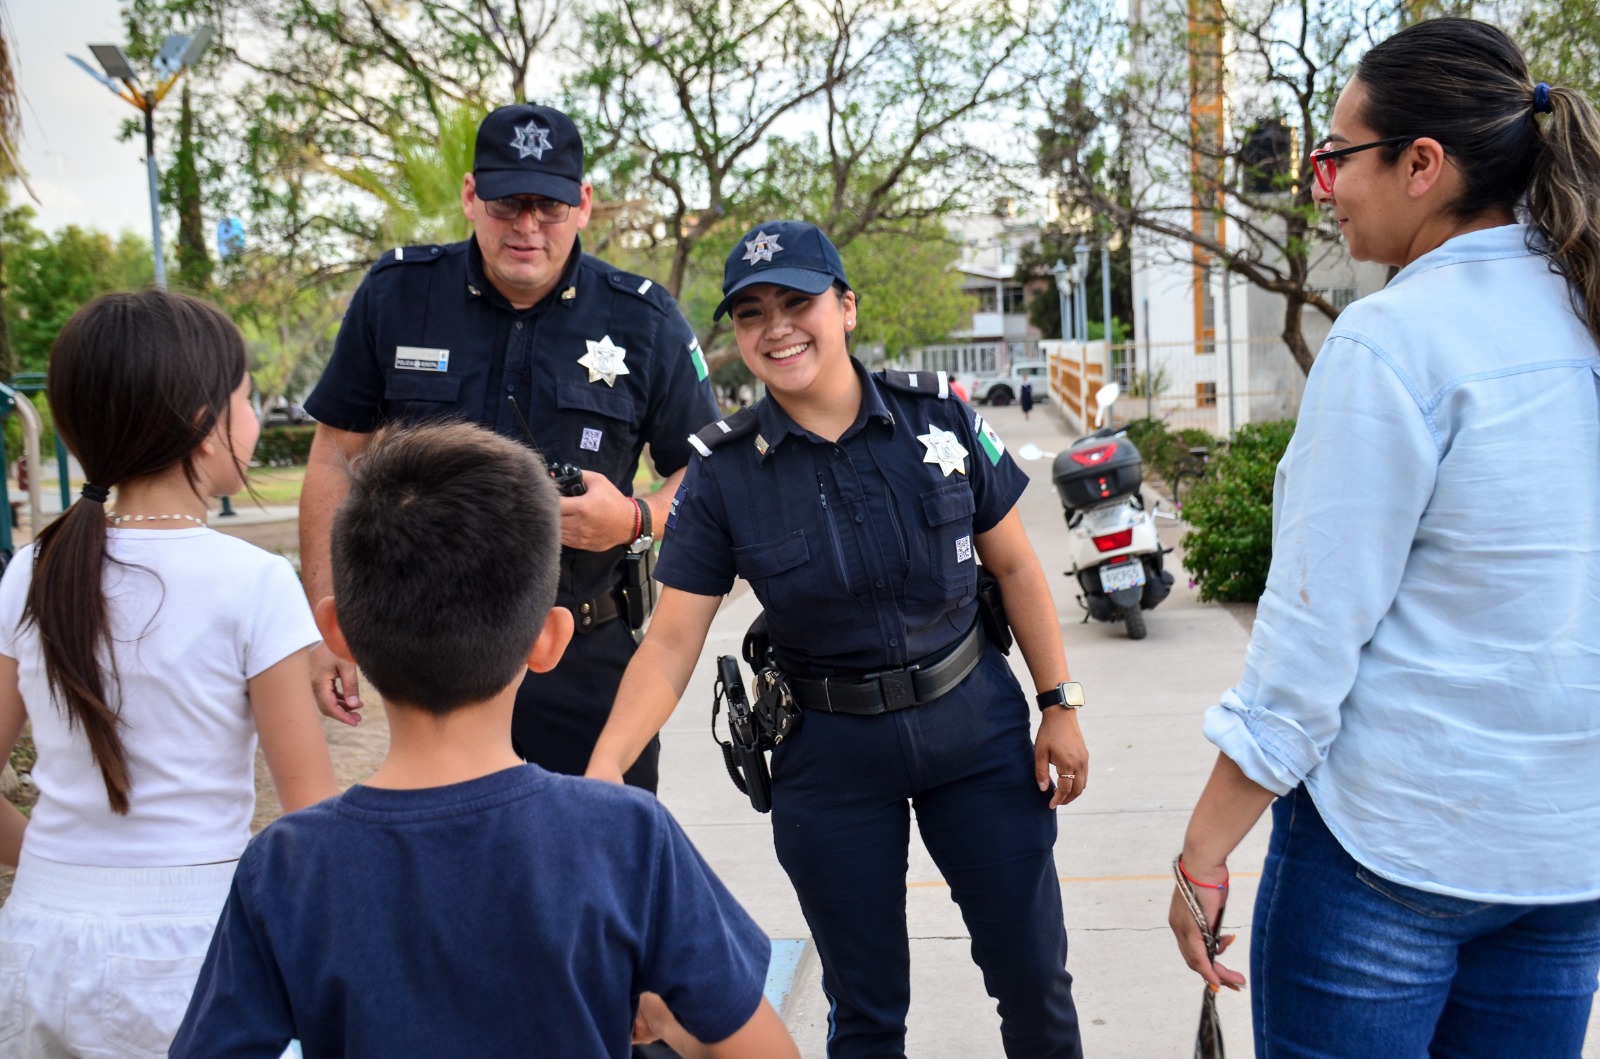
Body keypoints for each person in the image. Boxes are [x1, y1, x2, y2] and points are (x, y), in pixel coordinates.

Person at [1168, 17, 1600, 1058]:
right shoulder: (1582, 313)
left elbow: (1314, 637)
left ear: (1421, 165)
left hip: (1390, 855)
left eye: (1337, 157)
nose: (1325, 184)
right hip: (1565, 863)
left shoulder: (1393, 338)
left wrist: (1204, 847)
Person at [588, 220, 1089, 1058]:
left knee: (1034, 981)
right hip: (830, 756)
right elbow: (672, 641)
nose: (776, 326)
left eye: (797, 301)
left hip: (976, 731)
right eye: (752, 313)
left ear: (846, 307)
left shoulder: (940, 417)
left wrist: (1059, 703)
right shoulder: (724, 471)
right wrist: (605, 766)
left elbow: (1020, 567)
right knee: (865, 1011)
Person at [172, 422, 797, 1059]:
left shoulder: (284, 868)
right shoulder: (626, 839)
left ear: (338, 631)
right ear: (549, 640)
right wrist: (670, 1025)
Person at [299, 102, 718, 791]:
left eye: (549, 206)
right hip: (427, 655)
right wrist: (324, 623)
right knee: (445, 874)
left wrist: (635, 517)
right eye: (506, 204)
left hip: (584, 653)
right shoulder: (399, 295)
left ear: (584, 204)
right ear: (471, 196)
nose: (527, 227)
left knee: (595, 870)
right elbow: (332, 459)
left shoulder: (642, 319)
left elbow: (705, 473)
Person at [0, 290, 337, 1056]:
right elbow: (311, 818)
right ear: (202, 423)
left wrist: (61, 864)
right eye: (246, 398)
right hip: (195, 945)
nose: (252, 416)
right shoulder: (252, 582)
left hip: (37, 939)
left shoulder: (30, 570)